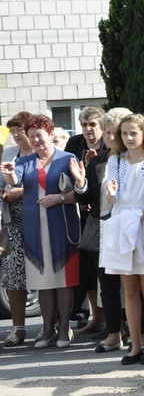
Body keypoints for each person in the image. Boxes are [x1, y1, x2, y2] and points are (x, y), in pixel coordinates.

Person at [0, 114, 81, 349]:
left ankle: (65, 328)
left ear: (51, 133)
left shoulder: (68, 158)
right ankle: (47, 330)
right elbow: (15, 179)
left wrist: (60, 197)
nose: (35, 140)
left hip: (62, 227)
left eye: (39, 135)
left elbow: (82, 192)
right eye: (31, 135)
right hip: (34, 230)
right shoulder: (26, 161)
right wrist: (8, 173)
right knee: (43, 281)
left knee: (64, 281)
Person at [101, 114, 144, 365]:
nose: (128, 138)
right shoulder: (115, 161)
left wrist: (140, 218)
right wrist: (110, 195)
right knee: (128, 289)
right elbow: (113, 199)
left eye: (133, 133)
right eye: (124, 134)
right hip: (122, 226)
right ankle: (135, 345)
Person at [69, 107, 132, 354]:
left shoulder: (137, 159)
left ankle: (138, 332)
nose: (110, 137)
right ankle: (114, 333)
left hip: (130, 228)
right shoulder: (96, 161)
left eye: (114, 132)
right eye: (106, 133)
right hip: (103, 229)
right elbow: (86, 197)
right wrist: (82, 182)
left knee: (132, 285)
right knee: (107, 285)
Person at [64, 105, 107, 334]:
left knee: (106, 270)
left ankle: (114, 319)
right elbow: (68, 176)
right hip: (82, 216)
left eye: (92, 125)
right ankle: (96, 316)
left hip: (104, 213)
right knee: (87, 269)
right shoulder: (75, 144)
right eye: (84, 125)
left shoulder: (109, 146)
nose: (88, 130)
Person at [0, 112, 34, 347]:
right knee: (14, 277)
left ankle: (54, 326)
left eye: (20, 129)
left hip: (41, 222)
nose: (16, 134)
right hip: (12, 225)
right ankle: (18, 329)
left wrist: (21, 193)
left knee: (46, 276)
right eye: (12, 131)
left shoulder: (43, 153)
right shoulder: (10, 154)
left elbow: (48, 185)